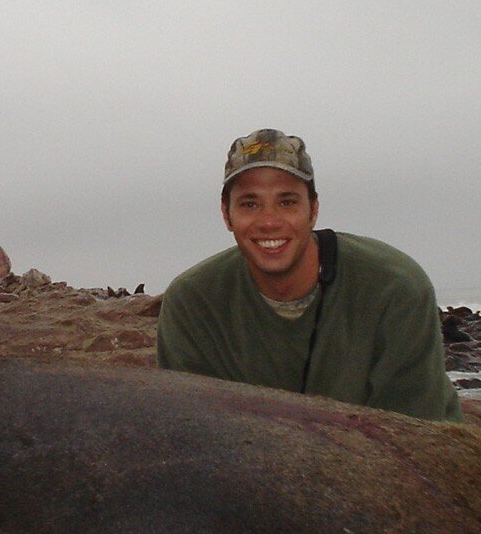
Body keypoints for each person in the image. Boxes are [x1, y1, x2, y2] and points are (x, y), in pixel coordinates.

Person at [156, 129, 462, 422]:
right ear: (227, 215)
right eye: (250, 204)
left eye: (287, 202)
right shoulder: (192, 304)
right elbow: (193, 431)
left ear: (313, 210)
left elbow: (419, 435)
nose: (269, 222)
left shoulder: (395, 288)